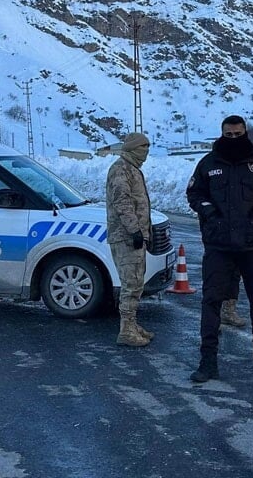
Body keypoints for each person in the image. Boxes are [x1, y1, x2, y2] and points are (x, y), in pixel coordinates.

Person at [186, 115, 253, 381]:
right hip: (219, 246)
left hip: (252, 245)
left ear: (245, 133)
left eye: (238, 134)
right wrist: (209, 213)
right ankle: (208, 361)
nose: (233, 139)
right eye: (228, 135)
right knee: (211, 301)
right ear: (221, 133)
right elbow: (194, 194)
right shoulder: (208, 164)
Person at [105, 132, 155, 347]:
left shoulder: (133, 169)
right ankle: (126, 329)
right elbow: (122, 203)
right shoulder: (121, 169)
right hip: (125, 237)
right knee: (131, 284)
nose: (146, 152)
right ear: (134, 148)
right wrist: (134, 231)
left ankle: (132, 325)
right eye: (143, 147)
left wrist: (146, 232)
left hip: (134, 235)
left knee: (136, 282)